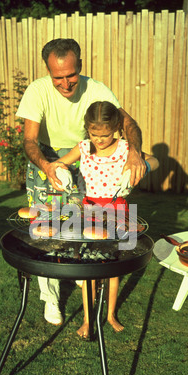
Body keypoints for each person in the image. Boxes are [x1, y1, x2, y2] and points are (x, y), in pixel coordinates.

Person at [16, 38, 147, 327]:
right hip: (47, 160)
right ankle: (50, 298)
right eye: (57, 77)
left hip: (82, 159)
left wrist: (135, 153)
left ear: (81, 67)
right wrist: (48, 166)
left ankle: (81, 272)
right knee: (45, 231)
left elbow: (128, 124)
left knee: (79, 226)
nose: (65, 83)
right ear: (48, 72)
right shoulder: (36, 91)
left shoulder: (98, 89)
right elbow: (29, 140)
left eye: (71, 75)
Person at [49, 101, 159, 337]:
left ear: (117, 128)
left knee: (113, 266)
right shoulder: (84, 147)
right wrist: (60, 170)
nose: (99, 139)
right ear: (87, 130)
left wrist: (140, 167)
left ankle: (110, 314)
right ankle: (88, 320)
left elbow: (155, 160)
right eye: (94, 133)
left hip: (117, 211)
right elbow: (60, 162)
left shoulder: (125, 148)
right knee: (87, 265)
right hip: (90, 212)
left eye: (105, 134)